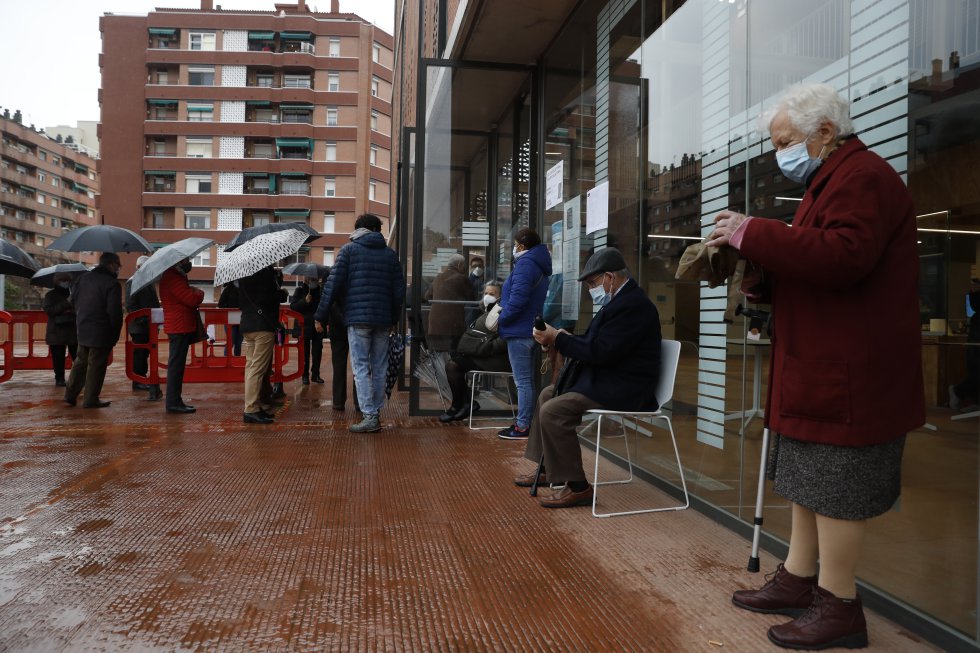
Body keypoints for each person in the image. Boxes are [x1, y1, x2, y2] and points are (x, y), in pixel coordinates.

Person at [705, 82, 924, 651]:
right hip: (822, 365)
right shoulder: (832, 181)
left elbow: (845, 257)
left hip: (851, 372)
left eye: (786, 141)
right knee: (806, 482)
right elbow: (815, 260)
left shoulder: (864, 177)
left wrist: (755, 232)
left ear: (824, 133)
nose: (781, 154)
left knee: (836, 488)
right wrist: (757, 269)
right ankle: (801, 579)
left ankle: (840, 604)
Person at [513, 247, 661, 509]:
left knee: (554, 409)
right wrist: (561, 338)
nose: (591, 289)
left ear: (610, 278)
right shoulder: (620, 303)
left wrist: (558, 338)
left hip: (625, 388)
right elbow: (598, 346)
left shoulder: (633, 306)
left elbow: (601, 352)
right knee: (548, 394)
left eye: (593, 283)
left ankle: (578, 487)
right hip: (610, 379)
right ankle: (548, 469)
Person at [314, 213, 405, 433]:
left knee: (361, 367)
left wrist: (320, 316)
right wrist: (393, 319)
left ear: (358, 230)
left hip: (357, 319)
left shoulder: (348, 251)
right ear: (376, 230)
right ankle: (375, 411)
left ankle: (370, 416)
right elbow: (398, 291)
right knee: (379, 367)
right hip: (383, 320)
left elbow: (332, 285)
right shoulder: (390, 255)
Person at [496, 227, 552, 440]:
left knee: (523, 381)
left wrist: (502, 318)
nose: (513, 248)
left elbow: (518, 300)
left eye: (515, 244)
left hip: (519, 330)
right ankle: (525, 422)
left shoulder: (526, 265)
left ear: (521, 246)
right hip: (527, 328)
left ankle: (522, 426)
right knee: (527, 380)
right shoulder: (537, 264)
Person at [439, 282, 510, 422]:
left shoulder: (503, 311)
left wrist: (484, 348)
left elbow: (504, 340)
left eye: (492, 294)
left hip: (494, 359)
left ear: (500, 296)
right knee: (453, 363)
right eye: (486, 293)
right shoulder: (485, 310)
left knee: (453, 366)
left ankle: (459, 405)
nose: (487, 296)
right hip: (482, 356)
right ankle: (465, 404)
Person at [64, 252, 123, 409]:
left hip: (82, 327)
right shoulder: (111, 284)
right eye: (118, 265)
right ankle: (91, 399)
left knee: (80, 361)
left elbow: (72, 300)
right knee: (96, 364)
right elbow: (114, 312)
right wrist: (115, 332)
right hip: (102, 330)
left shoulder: (83, 278)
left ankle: (70, 394)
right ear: (111, 265)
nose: (119, 269)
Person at [158, 258, 204, 414]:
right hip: (179, 325)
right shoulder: (173, 277)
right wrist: (199, 292)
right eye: (185, 260)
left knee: (176, 365)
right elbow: (191, 299)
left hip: (178, 325)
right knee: (176, 366)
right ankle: (173, 402)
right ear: (177, 262)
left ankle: (175, 401)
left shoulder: (173, 276)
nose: (188, 262)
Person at [240, 266, 281, 424]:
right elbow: (266, 298)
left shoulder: (243, 273)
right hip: (262, 325)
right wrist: (279, 292)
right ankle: (251, 409)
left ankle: (253, 406)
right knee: (258, 368)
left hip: (248, 324)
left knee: (251, 367)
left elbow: (241, 301)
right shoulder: (264, 273)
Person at [126, 255, 162, 401]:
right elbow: (131, 305)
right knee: (139, 354)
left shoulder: (147, 282)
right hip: (140, 326)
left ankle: (141, 378)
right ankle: (138, 380)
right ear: (140, 266)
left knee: (145, 353)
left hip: (148, 325)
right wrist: (144, 319)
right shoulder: (133, 281)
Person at [424, 254, 475, 352]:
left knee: (438, 355)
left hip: (434, 325)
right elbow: (472, 298)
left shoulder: (438, 277)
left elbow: (427, 296)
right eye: (464, 265)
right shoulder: (461, 278)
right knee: (453, 353)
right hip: (453, 326)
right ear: (460, 265)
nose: (465, 268)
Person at [950, 278, 980, 411]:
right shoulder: (976, 314)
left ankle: (975, 401)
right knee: (977, 372)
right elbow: (975, 305)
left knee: (976, 371)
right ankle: (958, 392)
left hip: (975, 339)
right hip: (976, 340)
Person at [290, 273, 325, 385]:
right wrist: (304, 301)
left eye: (315, 278)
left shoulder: (321, 291)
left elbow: (325, 306)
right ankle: (304, 375)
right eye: (311, 278)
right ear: (306, 279)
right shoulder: (299, 290)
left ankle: (315, 374)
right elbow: (293, 307)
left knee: (317, 351)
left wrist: (321, 321)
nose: (313, 280)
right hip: (303, 326)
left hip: (317, 325)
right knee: (304, 353)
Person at [42, 273, 77, 387]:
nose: (65, 282)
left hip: (73, 329)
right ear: (56, 281)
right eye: (63, 280)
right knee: (58, 357)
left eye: (67, 280)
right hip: (56, 331)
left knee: (77, 356)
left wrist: (72, 310)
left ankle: (78, 378)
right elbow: (49, 310)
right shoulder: (50, 295)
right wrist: (65, 304)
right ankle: (59, 378)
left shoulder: (74, 293)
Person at [217, 282, 243, 356]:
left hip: (241, 319)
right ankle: (226, 360)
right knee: (230, 342)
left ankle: (237, 362)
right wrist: (229, 308)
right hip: (230, 319)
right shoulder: (227, 289)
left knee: (238, 343)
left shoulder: (244, 289)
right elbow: (220, 304)